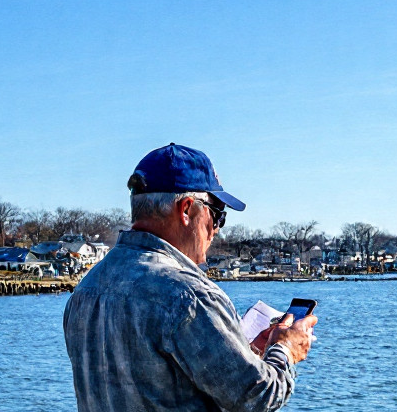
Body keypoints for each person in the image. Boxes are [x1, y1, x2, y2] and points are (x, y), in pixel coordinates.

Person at [63, 143, 317, 412]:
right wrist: (285, 349)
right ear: (186, 209)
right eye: (217, 215)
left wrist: (250, 353)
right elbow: (258, 396)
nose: (216, 229)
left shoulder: (86, 289)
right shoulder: (190, 296)